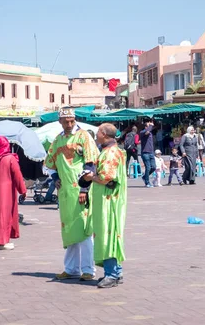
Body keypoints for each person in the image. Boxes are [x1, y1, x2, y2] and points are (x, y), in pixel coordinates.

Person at [45, 107, 100, 281]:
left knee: (84, 229)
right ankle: (71, 268)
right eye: (66, 121)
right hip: (65, 192)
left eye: (71, 121)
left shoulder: (83, 136)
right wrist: (55, 178)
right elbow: (49, 164)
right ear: (60, 121)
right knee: (69, 229)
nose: (69, 124)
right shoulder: (58, 140)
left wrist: (84, 188)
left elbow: (91, 163)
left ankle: (88, 269)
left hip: (81, 190)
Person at [83, 123, 127, 288]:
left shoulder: (109, 153)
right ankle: (118, 271)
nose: (96, 134)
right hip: (113, 198)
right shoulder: (117, 150)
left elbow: (106, 177)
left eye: (98, 132)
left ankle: (111, 274)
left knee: (107, 234)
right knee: (113, 234)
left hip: (108, 200)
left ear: (103, 133)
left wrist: (90, 177)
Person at [139, 120, 156, 188]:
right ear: (146, 127)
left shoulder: (150, 133)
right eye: (148, 126)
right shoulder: (142, 132)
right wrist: (151, 125)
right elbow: (147, 132)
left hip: (151, 152)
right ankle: (147, 182)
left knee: (154, 167)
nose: (150, 127)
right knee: (148, 167)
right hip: (145, 153)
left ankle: (145, 177)